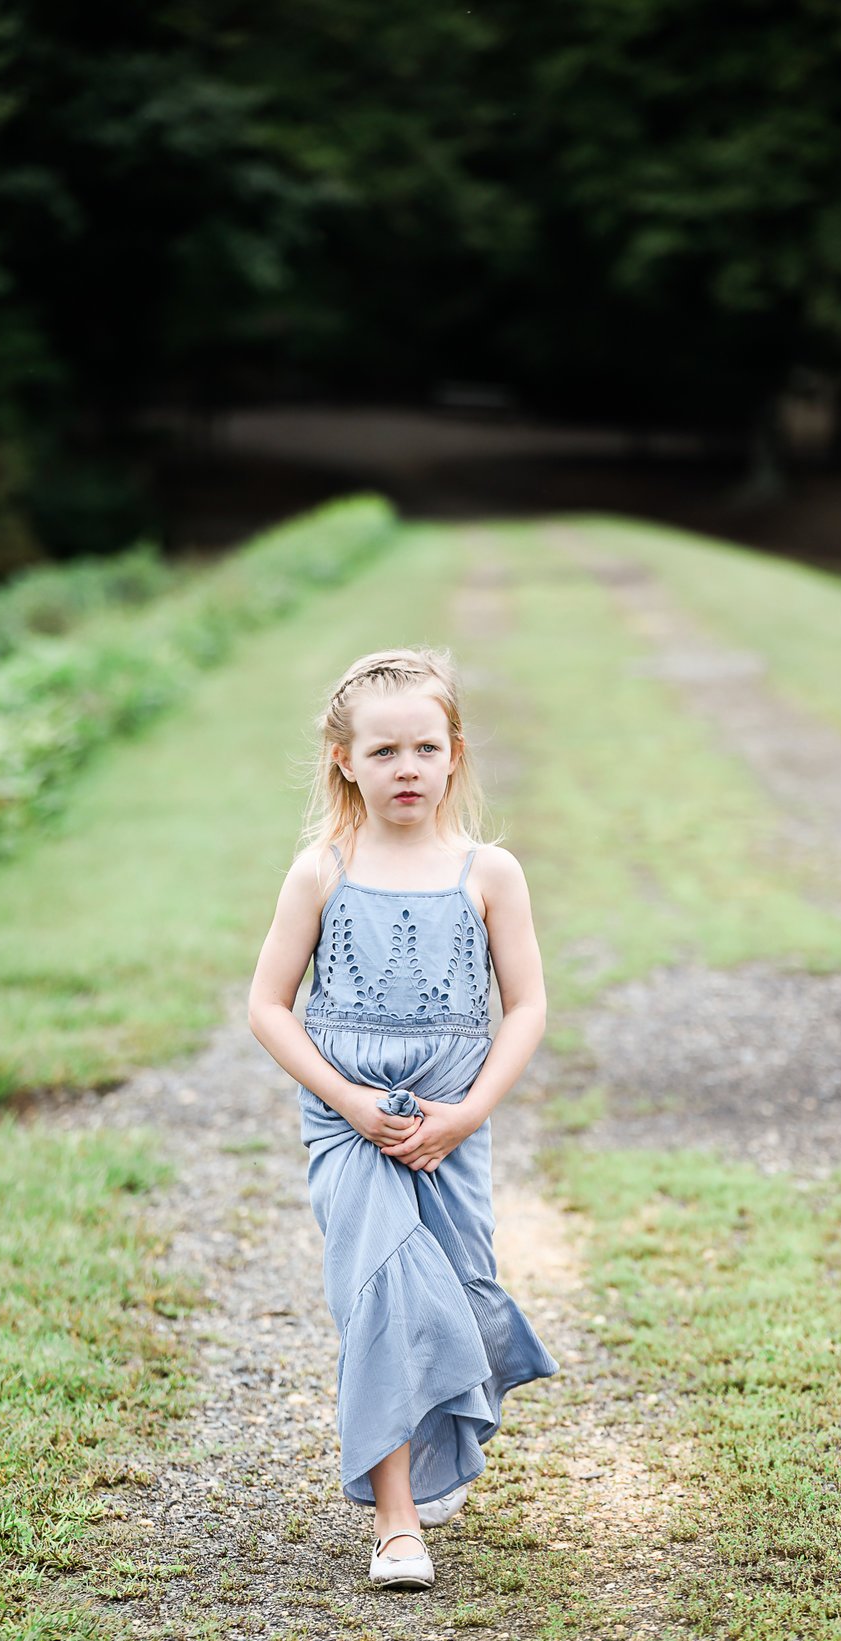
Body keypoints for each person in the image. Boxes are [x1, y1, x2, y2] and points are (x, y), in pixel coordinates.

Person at [243, 647, 559, 1589]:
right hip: (353, 1127)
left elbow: (529, 1006)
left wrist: (464, 1115)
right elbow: (267, 1004)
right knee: (382, 1297)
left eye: (426, 746)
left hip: (450, 1130)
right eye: (384, 751)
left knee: (455, 1291)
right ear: (345, 760)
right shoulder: (323, 871)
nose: (407, 767)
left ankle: (433, 1436)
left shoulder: (488, 872)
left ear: (455, 754)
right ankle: (395, 1523)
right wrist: (348, 1102)